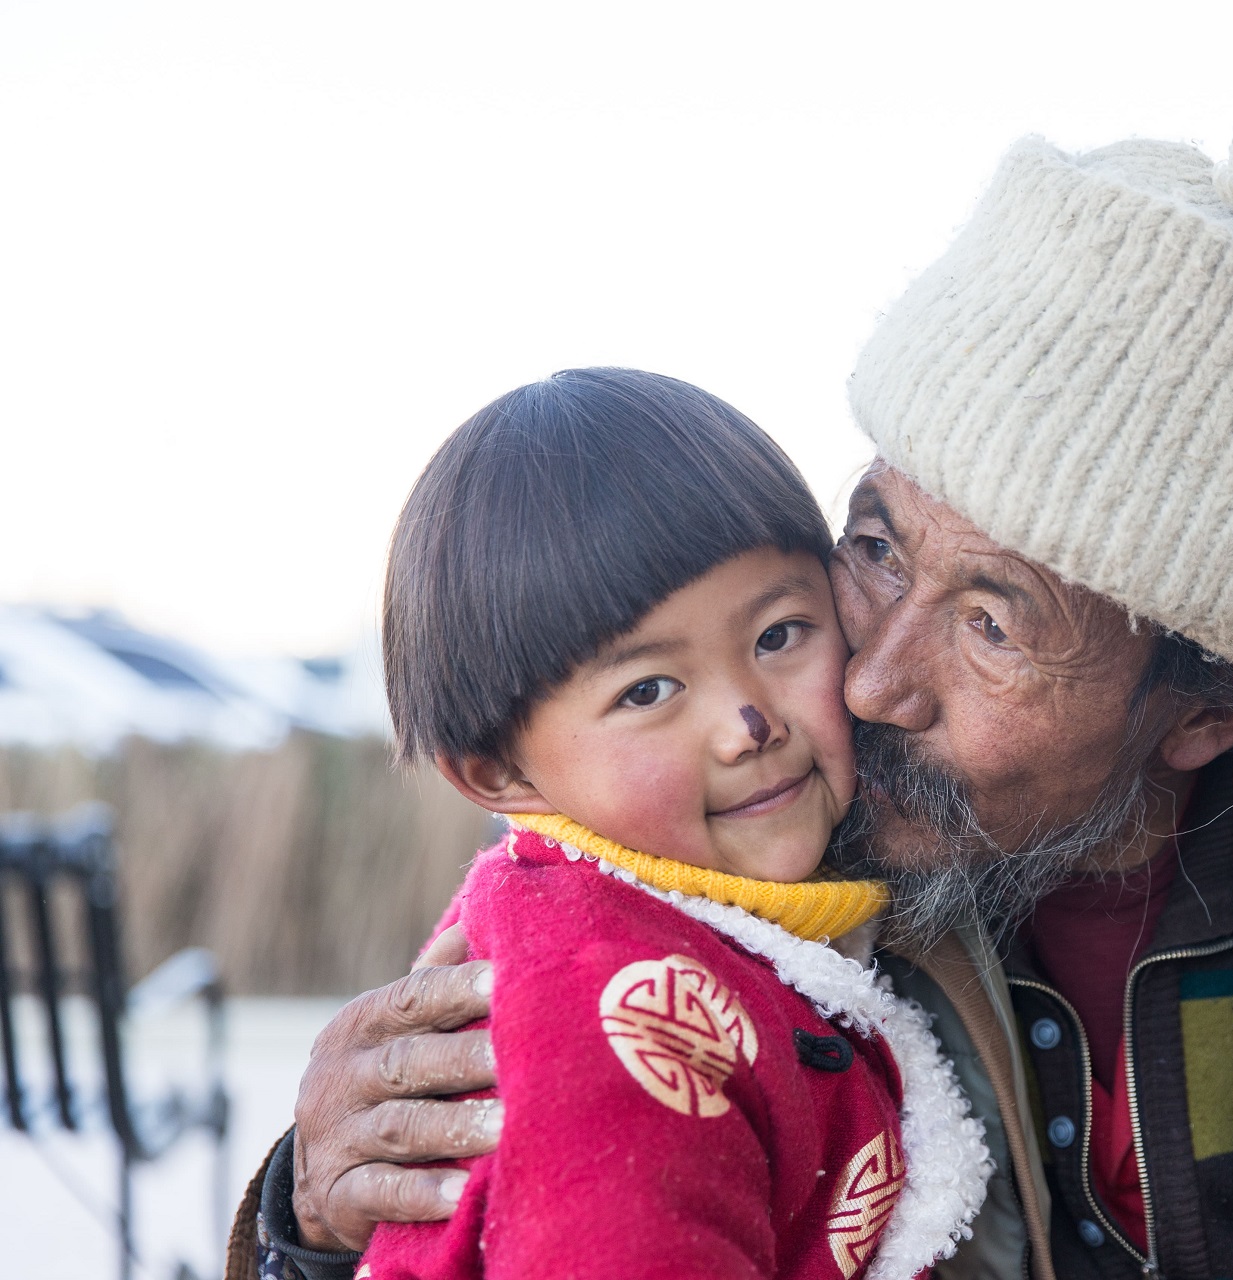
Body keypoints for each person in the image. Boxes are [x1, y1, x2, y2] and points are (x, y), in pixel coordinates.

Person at [233, 113, 1233, 1279]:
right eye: (874, 544)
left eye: (995, 626)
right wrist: (309, 1222)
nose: (866, 680)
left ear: (1209, 706)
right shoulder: (750, 862)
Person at [305, 368, 990, 1280]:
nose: (750, 725)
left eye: (780, 635)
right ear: (499, 771)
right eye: (649, 690)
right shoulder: (603, 1008)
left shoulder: (776, 904)